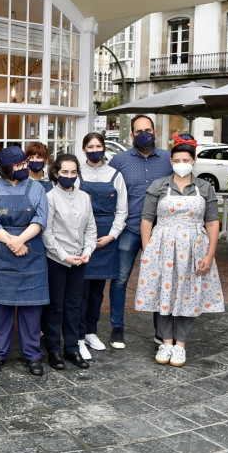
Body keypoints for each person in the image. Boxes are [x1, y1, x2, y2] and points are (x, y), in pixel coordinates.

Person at [137, 134, 224, 367]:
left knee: (189, 294)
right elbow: (146, 220)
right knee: (163, 295)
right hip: (162, 248)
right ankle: (166, 342)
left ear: (193, 161)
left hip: (194, 250)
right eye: (176, 160)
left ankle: (181, 346)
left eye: (185, 159)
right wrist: (148, 251)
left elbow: (213, 223)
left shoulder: (205, 187)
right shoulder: (158, 186)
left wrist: (209, 254)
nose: (181, 163)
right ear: (171, 161)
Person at [0, 146, 48, 376]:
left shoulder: (37, 187)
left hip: (30, 251)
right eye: (19, 165)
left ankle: (33, 355)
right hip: (1, 253)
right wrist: (12, 242)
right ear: (7, 168)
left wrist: (20, 240)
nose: (24, 168)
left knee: (32, 311)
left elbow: (40, 219)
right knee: (0, 310)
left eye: (25, 163)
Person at [107, 114, 172, 349]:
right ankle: (117, 328)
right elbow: (110, 193)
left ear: (155, 132)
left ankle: (160, 332)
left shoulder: (168, 159)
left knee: (161, 280)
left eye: (148, 130)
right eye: (138, 131)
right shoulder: (119, 161)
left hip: (161, 231)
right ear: (131, 135)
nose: (144, 134)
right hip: (129, 228)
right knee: (120, 279)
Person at [42, 154, 96, 370]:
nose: (69, 176)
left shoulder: (84, 197)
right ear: (55, 173)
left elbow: (91, 228)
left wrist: (88, 251)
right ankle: (54, 349)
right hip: (57, 260)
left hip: (80, 260)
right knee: (55, 306)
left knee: (74, 306)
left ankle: (72, 348)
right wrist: (64, 256)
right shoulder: (50, 197)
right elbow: (47, 232)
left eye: (73, 172)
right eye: (65, 172)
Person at [77, 132, 127, 359]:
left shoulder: (115, 175)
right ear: (84, 149)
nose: (95, 149)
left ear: (104, 148)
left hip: (106, 239)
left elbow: (122, 210)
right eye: (90, 146)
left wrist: (112, 235)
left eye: (98, 146)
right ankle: (78, 336)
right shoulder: (76, 173)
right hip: (82, 236)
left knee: (98, 291)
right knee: (81, 290)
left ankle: (91, 331)